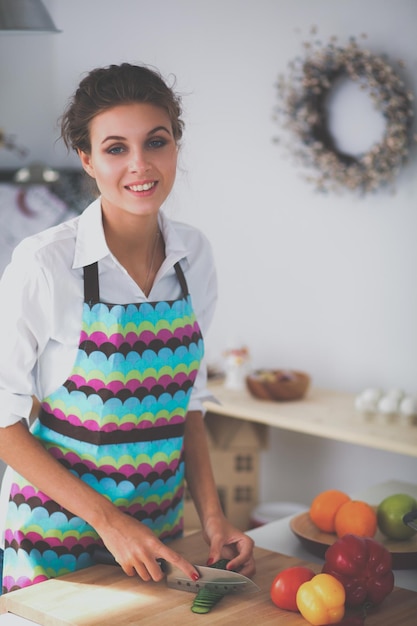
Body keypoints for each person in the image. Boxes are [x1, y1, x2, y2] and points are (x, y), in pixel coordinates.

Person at [0, 63, 255, 594]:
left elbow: (189, 404)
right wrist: (110, 522)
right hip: (54, 534)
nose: (140, 165)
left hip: (158, 532)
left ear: (176, 147)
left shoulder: (195, 256)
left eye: (155, 142)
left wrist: (212, 517)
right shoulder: (44, 264)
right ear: (87, 160)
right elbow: (2, 421)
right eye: (116, 148)